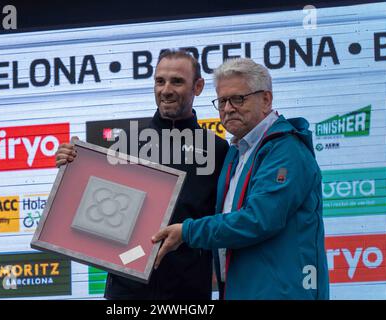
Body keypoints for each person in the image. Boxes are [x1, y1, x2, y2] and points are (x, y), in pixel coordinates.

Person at [55, 50, 229, 299]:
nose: (166, 89)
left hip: (187, 292)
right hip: (126, 291)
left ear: (198, 86)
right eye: (160, 81)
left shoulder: (218, 150)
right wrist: (71, 165)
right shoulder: (124, 144)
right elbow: (93, 210)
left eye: (177, 81)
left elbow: (225, 222)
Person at [152, 57, 330, 300]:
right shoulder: (237, 152)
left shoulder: (286, 150)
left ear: (266, 99)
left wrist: (188, 231)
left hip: (281, 293)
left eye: (238, 99)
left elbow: (258, 219)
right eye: (223, 100)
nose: (227, 109)